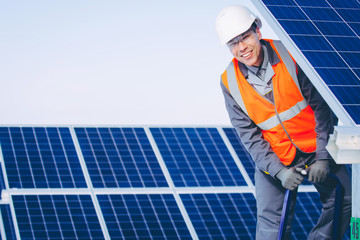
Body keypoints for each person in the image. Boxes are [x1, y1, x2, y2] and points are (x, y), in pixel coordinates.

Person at [215, 5, 351, 240]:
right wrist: (279, 172)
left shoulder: (291, 55)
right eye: (233, 43)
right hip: (274, 157)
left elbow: (323, 109)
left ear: (257, 30)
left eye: (245, 37)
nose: (242, 48)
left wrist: (323, 158)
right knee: (270, 228)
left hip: (315, 147)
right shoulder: (229, 82)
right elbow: (250, 138)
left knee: (346, 199)